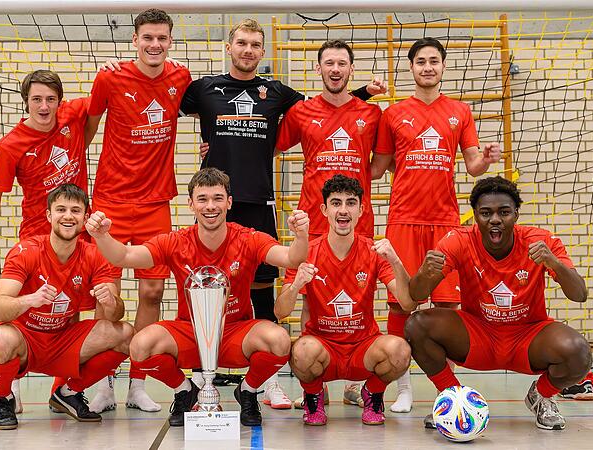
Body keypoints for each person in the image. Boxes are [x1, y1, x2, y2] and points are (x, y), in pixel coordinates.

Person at [178, 20, 387, 409]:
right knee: (207, 285)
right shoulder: (205, 89)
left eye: (256, 45)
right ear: (229, 47)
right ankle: (202, 371)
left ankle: (268, 377)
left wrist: (362, 93)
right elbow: (159, 97)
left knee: (262, 286)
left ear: (263, 52)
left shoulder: (276, 93)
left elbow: (327, 106)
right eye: (241, 43)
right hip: (215, 202)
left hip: (258, 200)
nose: (248, 50)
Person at [85, 167, 309, 427]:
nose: (210, 206)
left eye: (217, 198)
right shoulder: (176, 241)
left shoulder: (248, 238)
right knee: (140, 345)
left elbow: (292, 257)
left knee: (279, 340)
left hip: (235, 331)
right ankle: (185, 390)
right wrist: (101, 236)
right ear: (191, 204)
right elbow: (123, 257)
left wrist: (301, 235)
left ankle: (247, 391)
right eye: (202, 199)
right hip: (189, 332)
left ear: (229, 202)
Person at [372, 37, 502, 413]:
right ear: (410, 68)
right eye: (420, 62)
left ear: (443, 67)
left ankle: (445, 393)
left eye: (434, 61)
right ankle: (403, 389)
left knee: (446, 307)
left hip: (445, 222)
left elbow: (473, 165)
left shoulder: (460, 111)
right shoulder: (393, 114)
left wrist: (488, 159)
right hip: (403, 221)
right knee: (400, 305)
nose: (427, 67)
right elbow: (378, 167)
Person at [405, 176, 591, 430]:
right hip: (478, 333)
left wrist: (554, 263)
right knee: (417, 325)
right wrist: (424, 273)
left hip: (528, 335)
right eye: (485, 213)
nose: (495, 219)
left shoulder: (540, 241)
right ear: (475, 216)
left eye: (504, 212)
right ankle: (455, 399)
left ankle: (541, 396)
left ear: (516, 214)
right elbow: (416, 295)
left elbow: (580, 294)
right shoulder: (458, 240)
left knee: (578, 350)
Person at [84, 8, 192, 413]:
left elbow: (208, 114)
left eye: (162, 38)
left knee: (152, 290)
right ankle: (103, 384)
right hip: (110, 201)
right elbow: (89, 128)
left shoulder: (179, 78)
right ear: (134, 40)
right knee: (105, 295)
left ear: (170, 41)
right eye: (148, 37)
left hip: (155, 204)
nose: (155, 45)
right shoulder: (110, 77)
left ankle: (138, 384)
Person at [0, 69, 96, 416]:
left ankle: (62, 389)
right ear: (26, 101)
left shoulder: (73, 114)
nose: (44, 106)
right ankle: (9, 388)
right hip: (38, 235)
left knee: (71, 309)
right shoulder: (11, 144)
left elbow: (104, 103)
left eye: (51, 99)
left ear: (61, 101)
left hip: (78, 230)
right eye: (37, 99)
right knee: (26, 310)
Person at [274, 39, 389, 406]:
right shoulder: (301, 113)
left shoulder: (371, 115)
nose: (335, 69)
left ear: (351, 70)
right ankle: (317, 381)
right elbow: (271, 147)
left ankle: (356, 380)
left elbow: (381, 162)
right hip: (313, 220)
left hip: (357, 221)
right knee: (309, 293)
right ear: (319, 69)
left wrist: (359, 189)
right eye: (329, 64)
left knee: (359, 293)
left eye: (342, 63)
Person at [0, 183, 134, 430]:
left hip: (63, 340)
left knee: (126, 335)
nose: (68, 216)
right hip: (26, 340)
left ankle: (67, 392)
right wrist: (30, 299)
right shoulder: (26, 251)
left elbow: (116, 314)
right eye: (61, 209)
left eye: (75, 211)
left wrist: (111, 301)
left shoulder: (95, 254)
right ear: (48, 215)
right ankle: (5, 399)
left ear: (85, 218)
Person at [275, 174, 415, 426]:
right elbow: (280, 312)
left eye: (350, 203)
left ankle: (373, 393)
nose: (343, 210)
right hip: (323, 349)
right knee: (301, 351)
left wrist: (396, 261)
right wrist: (296, 285)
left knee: (400, 350)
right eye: (336, 203)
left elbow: (407, 304)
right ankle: (313, 395)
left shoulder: (374, 252)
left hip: (363, 349)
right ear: (324, 209)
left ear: (361, 210)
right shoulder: (306, 254)